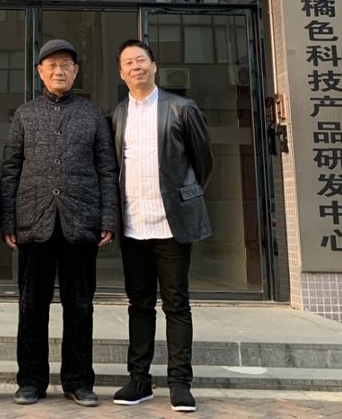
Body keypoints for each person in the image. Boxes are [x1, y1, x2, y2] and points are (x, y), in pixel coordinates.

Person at [0, 38, 119, 408]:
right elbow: (10, 169)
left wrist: (108, 217)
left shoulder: (93, 114)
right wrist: (9, 220)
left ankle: (78, 381)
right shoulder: (24, 114)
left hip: (80, 222)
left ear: (76, 71)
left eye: (66, 64)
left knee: (80, 307)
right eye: (51, 65)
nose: (59, 70)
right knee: (31, 307)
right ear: (40, 72)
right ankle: (31, 381)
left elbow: (107, 169)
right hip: (34, 222)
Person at [109, 39, 214, 413]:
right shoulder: (117, 115)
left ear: (153, 66)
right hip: (133, 226)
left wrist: (184, 198)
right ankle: (139, 379)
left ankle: (180, 383)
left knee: (176, 304)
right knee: (139, 305)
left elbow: (203, 162)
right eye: (128, 62)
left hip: (171, 226)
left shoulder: (181, 108)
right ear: (121, 74)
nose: (135, 66)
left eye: (141, 60)